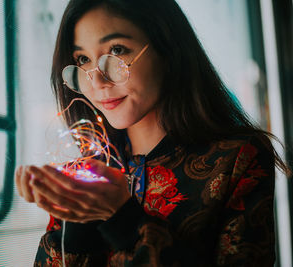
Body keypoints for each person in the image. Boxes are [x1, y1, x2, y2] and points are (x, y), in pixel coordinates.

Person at [15, 0, 291, 266]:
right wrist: (74, 229)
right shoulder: (86, 172)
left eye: (117, 50)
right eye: (83, 58)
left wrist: (123, 219)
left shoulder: (236, 158)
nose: (96, 79)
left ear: (167, 49)